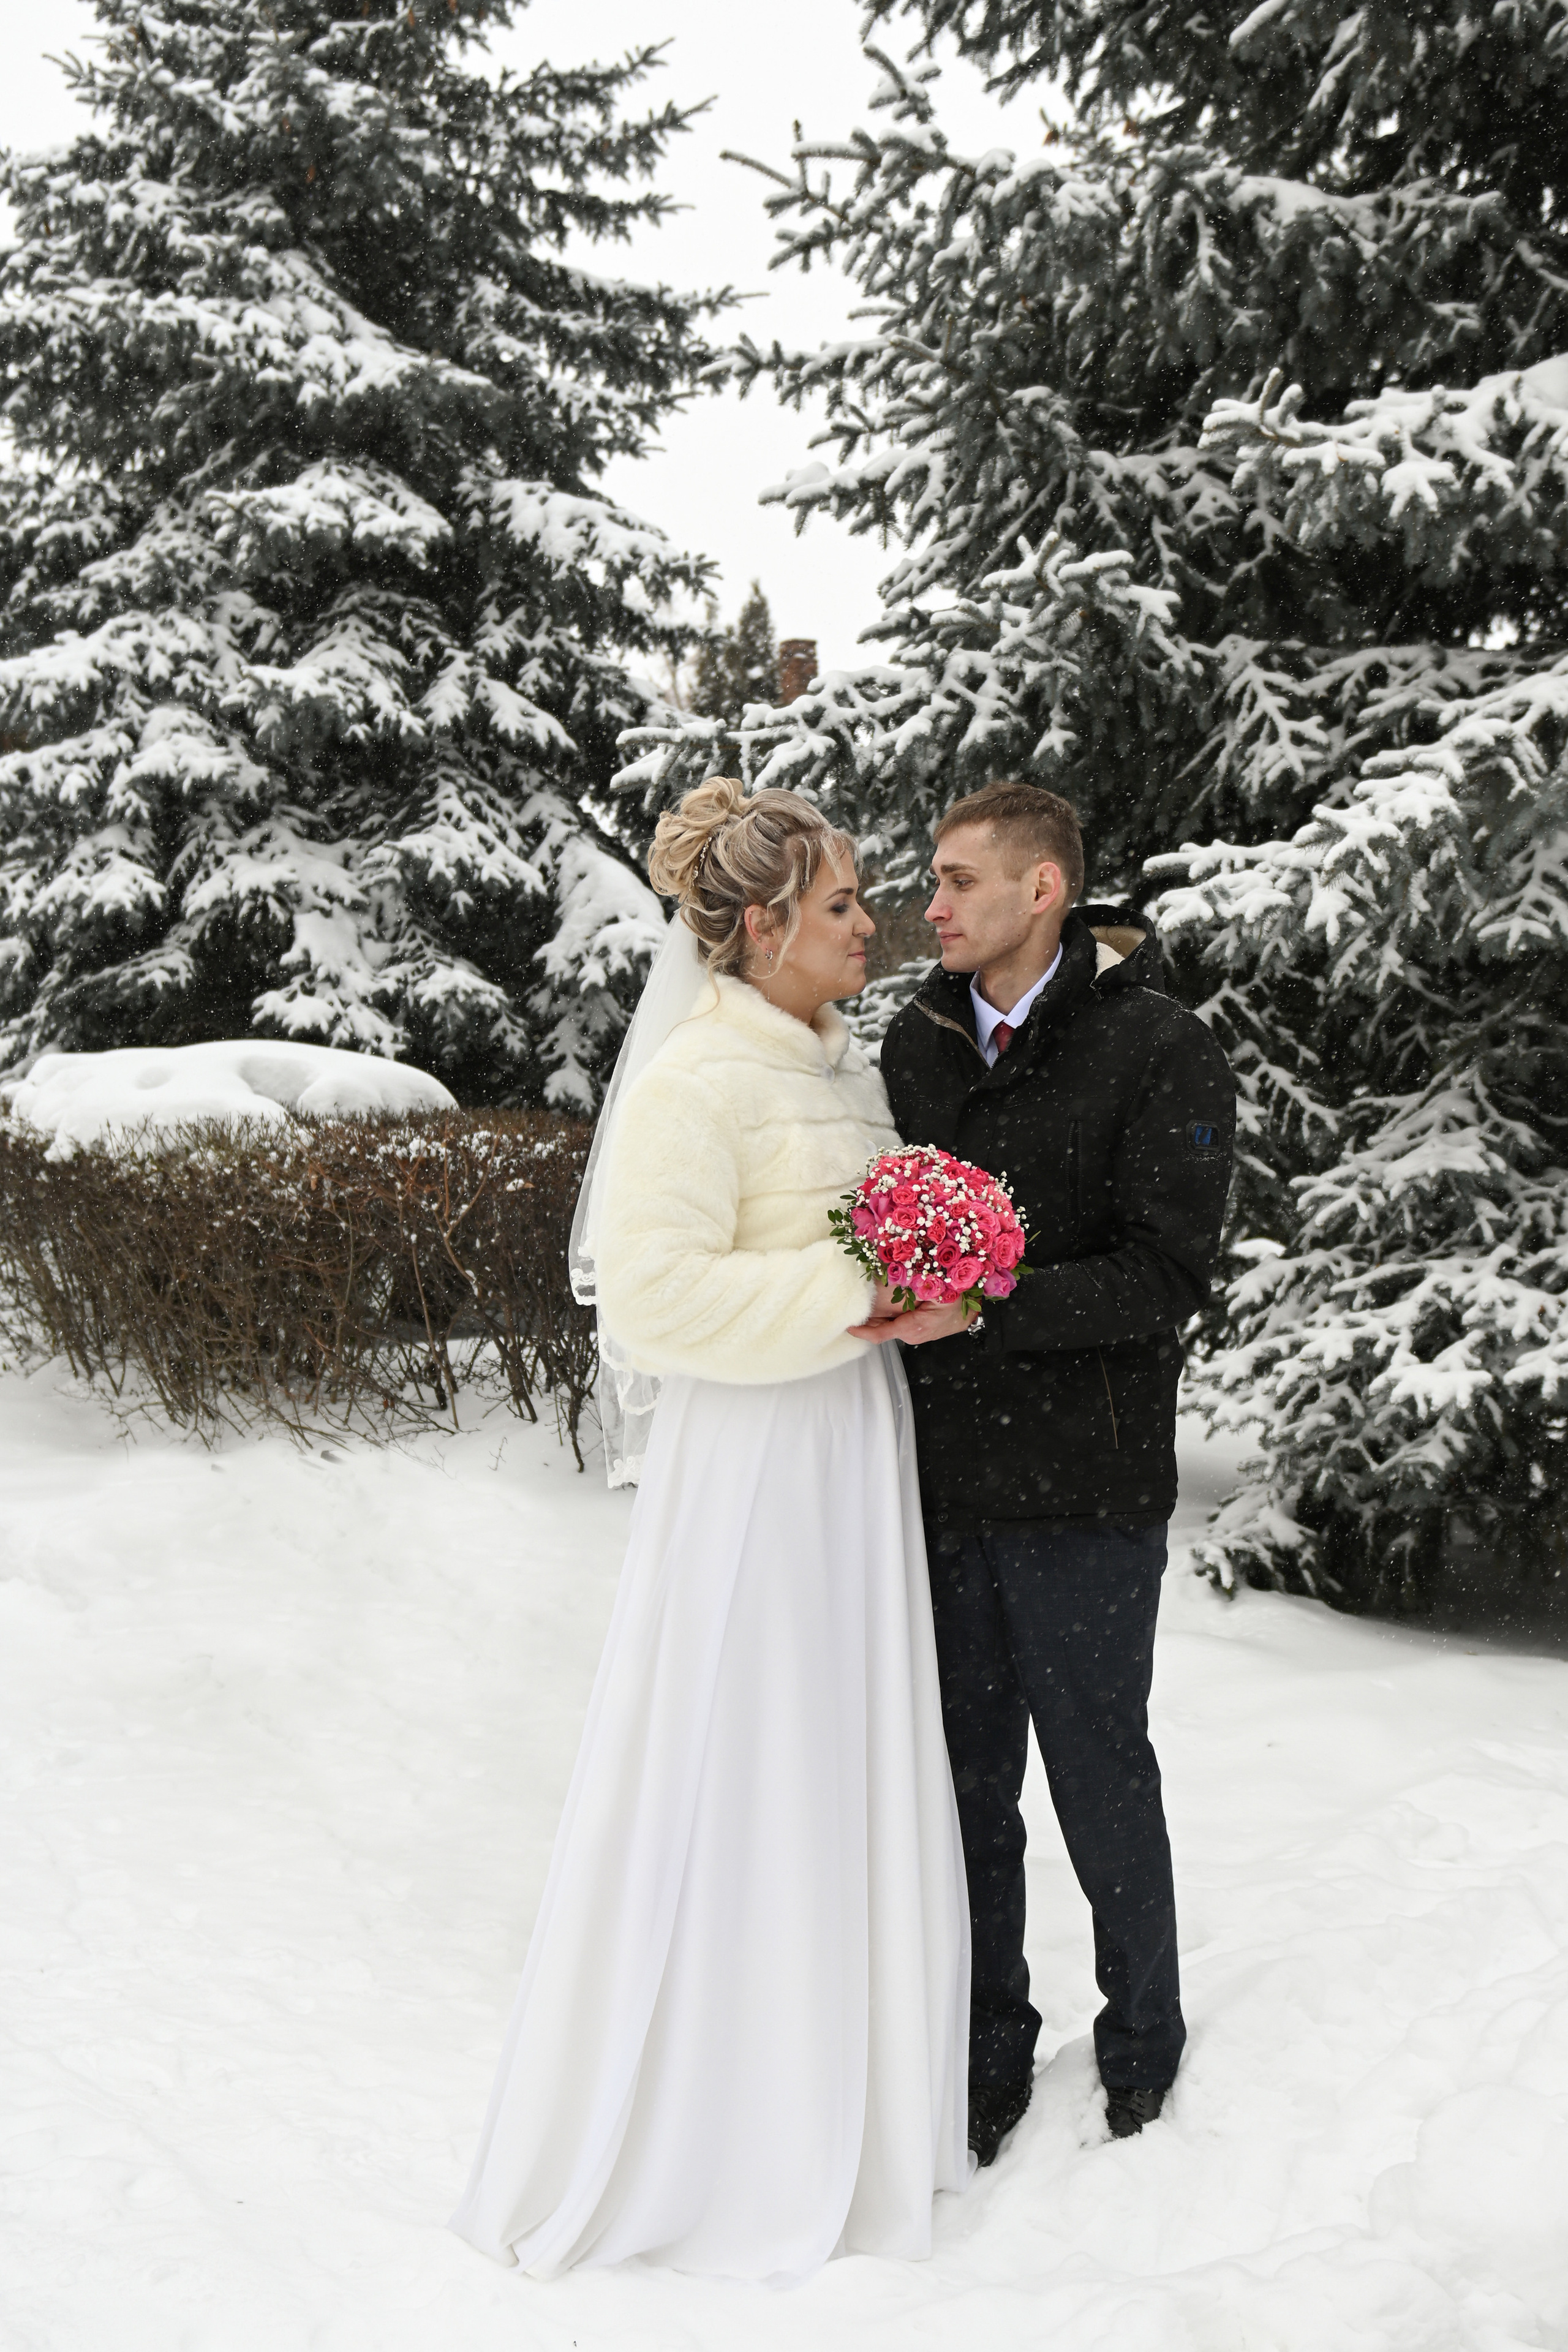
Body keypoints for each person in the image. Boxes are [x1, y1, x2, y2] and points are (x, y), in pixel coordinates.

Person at [450, 778, 971, 2284]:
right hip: (753, 1461)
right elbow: (656, 1296)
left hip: (851, 1443)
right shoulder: (696, 1080)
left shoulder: (840, 1068)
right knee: (748, 1751)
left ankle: (847, 2096)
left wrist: (931, 1292)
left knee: (844, 1744)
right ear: (757, 929)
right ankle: (719, 2122)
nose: (868, 926)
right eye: (840, 906)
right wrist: (855, 1294)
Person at [858, 780, 1235, 2165]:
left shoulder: (1160, 1047)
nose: (932, 907)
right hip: (939, 1487)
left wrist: (989, 1303)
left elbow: (1163, 1276)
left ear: (1044, 888)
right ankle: (986, 2052)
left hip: (1085, 1488)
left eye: (958, 881)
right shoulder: (908, 1047)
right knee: (965, 1793)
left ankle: (1141, 2045)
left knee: (1096, 1774)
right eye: (931, 880)